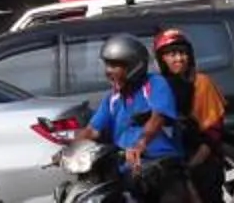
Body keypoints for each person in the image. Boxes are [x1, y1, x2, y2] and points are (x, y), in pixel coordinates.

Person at [80, 35, 184, 202]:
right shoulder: (112, 98)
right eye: (107, 65)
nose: (108, 71)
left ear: (134, 67)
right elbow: (92, 130)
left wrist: (140, 144)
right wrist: (71, 148)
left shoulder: (154, 84)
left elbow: (158, 118)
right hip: (130, 171)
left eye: (114, 66)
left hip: (162, 165)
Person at [149, 31, 226, 196]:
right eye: (172, 54)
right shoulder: (157, 87)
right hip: (171, 165)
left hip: (202, 161)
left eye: (183, 53)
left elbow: (214, 130)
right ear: (161, 59)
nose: (179, 59)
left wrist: (194, 163)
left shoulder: (202, 83)